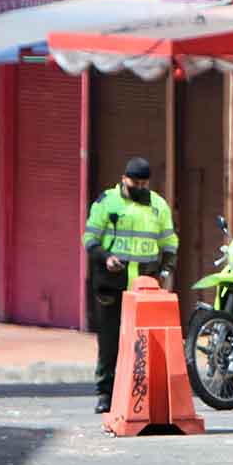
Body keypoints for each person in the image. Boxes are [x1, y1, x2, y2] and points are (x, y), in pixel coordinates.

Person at [83, 157, 178, 413]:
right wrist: (107, 258)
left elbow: (169, 243)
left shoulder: (158, 205)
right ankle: (105, 393)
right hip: (111, 283)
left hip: (145, 286)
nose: (139, 187)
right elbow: (90, 239)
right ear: (124, 178)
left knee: (143, 343)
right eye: (135, 182)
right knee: (109, 341)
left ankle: (139, 394)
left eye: (143, 183)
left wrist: (166, 271)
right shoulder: (107, 202)